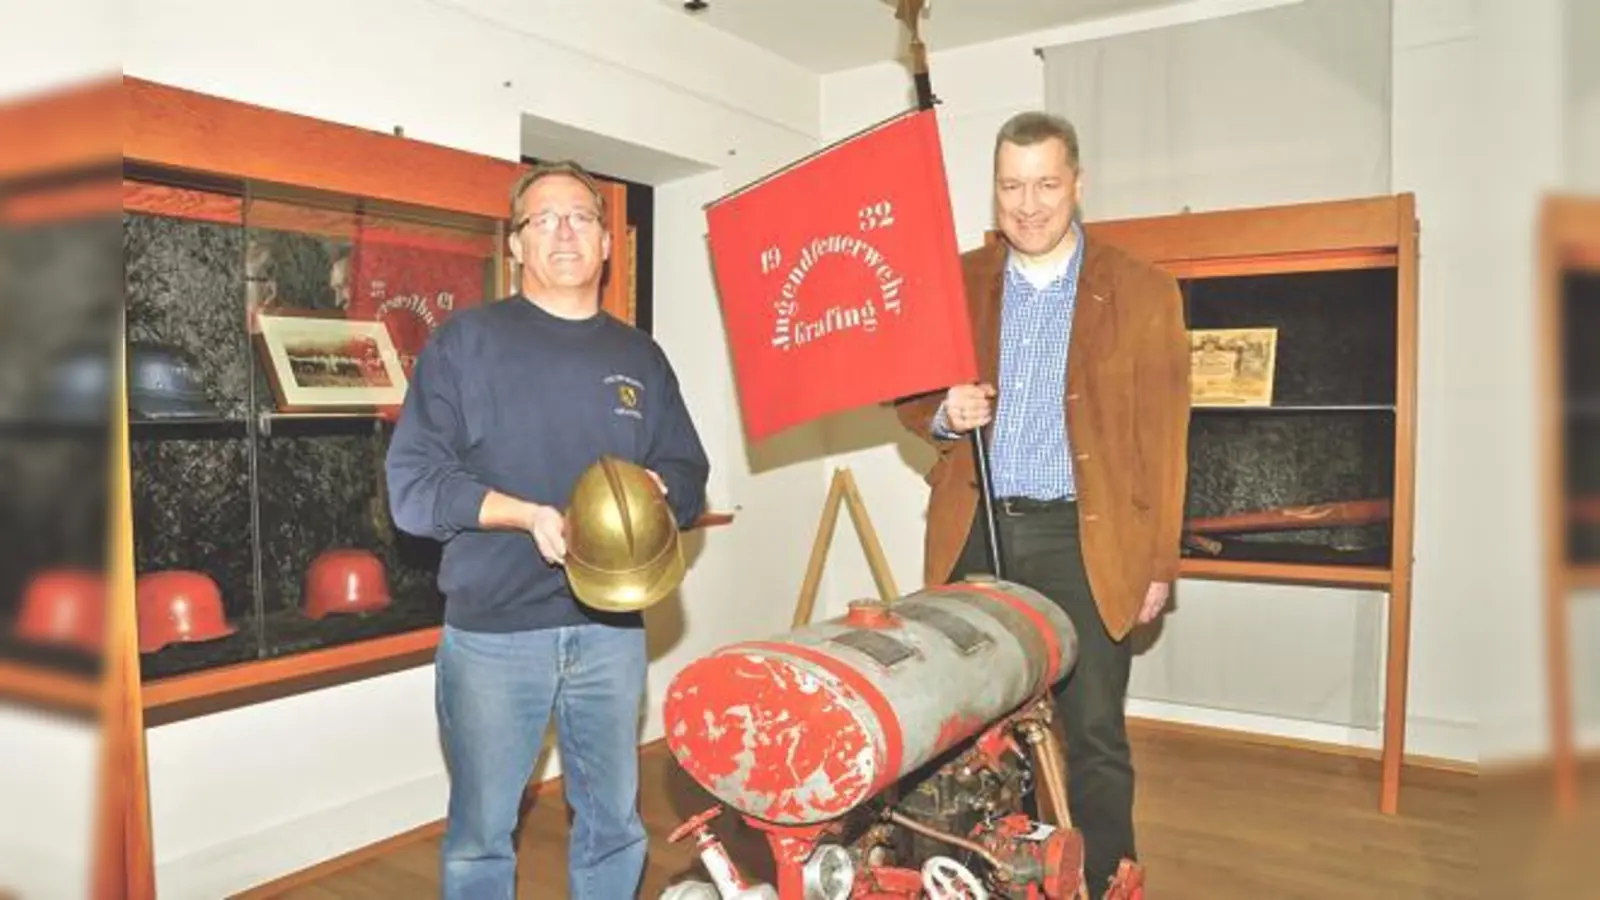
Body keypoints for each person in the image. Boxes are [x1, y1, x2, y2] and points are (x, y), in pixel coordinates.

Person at [385, 159, 710, 900]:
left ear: (605, 244)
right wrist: (524, 514)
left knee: (613, 825)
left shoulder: (640, 356)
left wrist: (660, 489)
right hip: (494, 635)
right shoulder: (465, 346)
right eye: (544, 220)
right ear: (517, 247)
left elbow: (688, 471)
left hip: (611, 630)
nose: (564, 231)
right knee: (480, 838)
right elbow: (412, 491)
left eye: (582, 218)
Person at [893, 111, 1190, 898]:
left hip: (1084, 541)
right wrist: (940, 411)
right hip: (976, 538)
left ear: (1077, 185)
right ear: (994, 190)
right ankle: (998, 878)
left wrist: (1159, 563)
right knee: (976, 735)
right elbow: (905, 396)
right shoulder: (956, 283)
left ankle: (1100, 883)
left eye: (1046, 184)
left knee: (1091, 734)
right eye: (1011, 186)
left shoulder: (1143, 291)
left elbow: (1167, 439)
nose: (1028, 205)